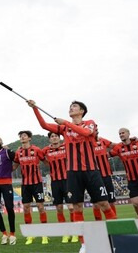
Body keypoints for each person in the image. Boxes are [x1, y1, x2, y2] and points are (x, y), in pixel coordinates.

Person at [27, 100, 117, 253]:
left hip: (91, 171)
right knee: (76, 207)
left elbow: (87, 133)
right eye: (70, 107)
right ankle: (84, 244)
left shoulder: (89, 123)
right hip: (73, 173)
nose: (71, 108)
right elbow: (44, 125)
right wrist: (35, 108)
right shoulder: (64, 129)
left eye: (74, 106)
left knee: (104, 204)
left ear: (81, 111)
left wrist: (67, 123)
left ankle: (115, 240)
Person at [12, 130, 49, 245]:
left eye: (24, 136)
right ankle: (30, 235)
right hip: (25, 184)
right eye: (20, 136)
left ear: (29, 138)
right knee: (26, 207)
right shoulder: (18, 152)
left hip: (37, 183)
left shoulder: (36, 150)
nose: (22, 138)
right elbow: (15, 166)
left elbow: (45, 161)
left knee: (40, 206)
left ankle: (45, 234)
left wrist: (54, 168)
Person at [41, 131, 76, 244]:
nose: (54, 138)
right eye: (52, 136)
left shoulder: (66, 146)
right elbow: (40, 157)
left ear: (59, 138)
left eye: (56, 136)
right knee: (59, 208)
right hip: (55, 182)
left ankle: (75, 232)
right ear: (49, 139)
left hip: (68, 181)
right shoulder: (46, 150)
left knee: (71, 207)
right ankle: (65, 233)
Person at [92, 133, 117, 220]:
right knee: (96, 204)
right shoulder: (86, 143)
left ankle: (114, 224)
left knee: (111, 202)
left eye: (96, 131)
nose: (96, 132)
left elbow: (116, 146)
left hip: (106, 175)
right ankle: (98, 225)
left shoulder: (102, 140)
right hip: (94, 177)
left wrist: (110, 154)